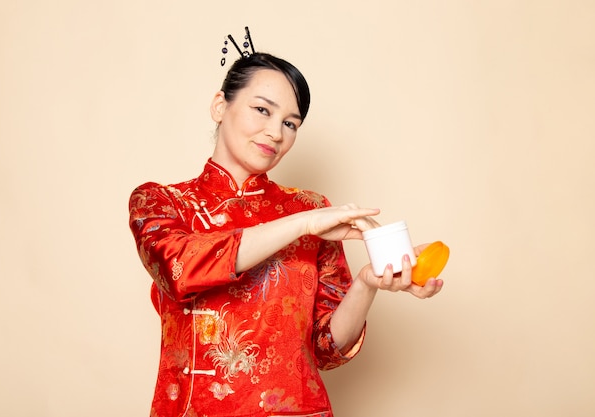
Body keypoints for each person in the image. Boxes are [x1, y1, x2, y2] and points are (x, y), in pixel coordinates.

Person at [128, 27, 443, 417]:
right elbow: (182, 269)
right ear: (219, 106)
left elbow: (327, 348)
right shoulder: (160, 202)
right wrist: (301, 224)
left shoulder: (312, 209)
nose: (275, 133)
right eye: (262, 110)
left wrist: (365, 284)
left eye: (291, 123)